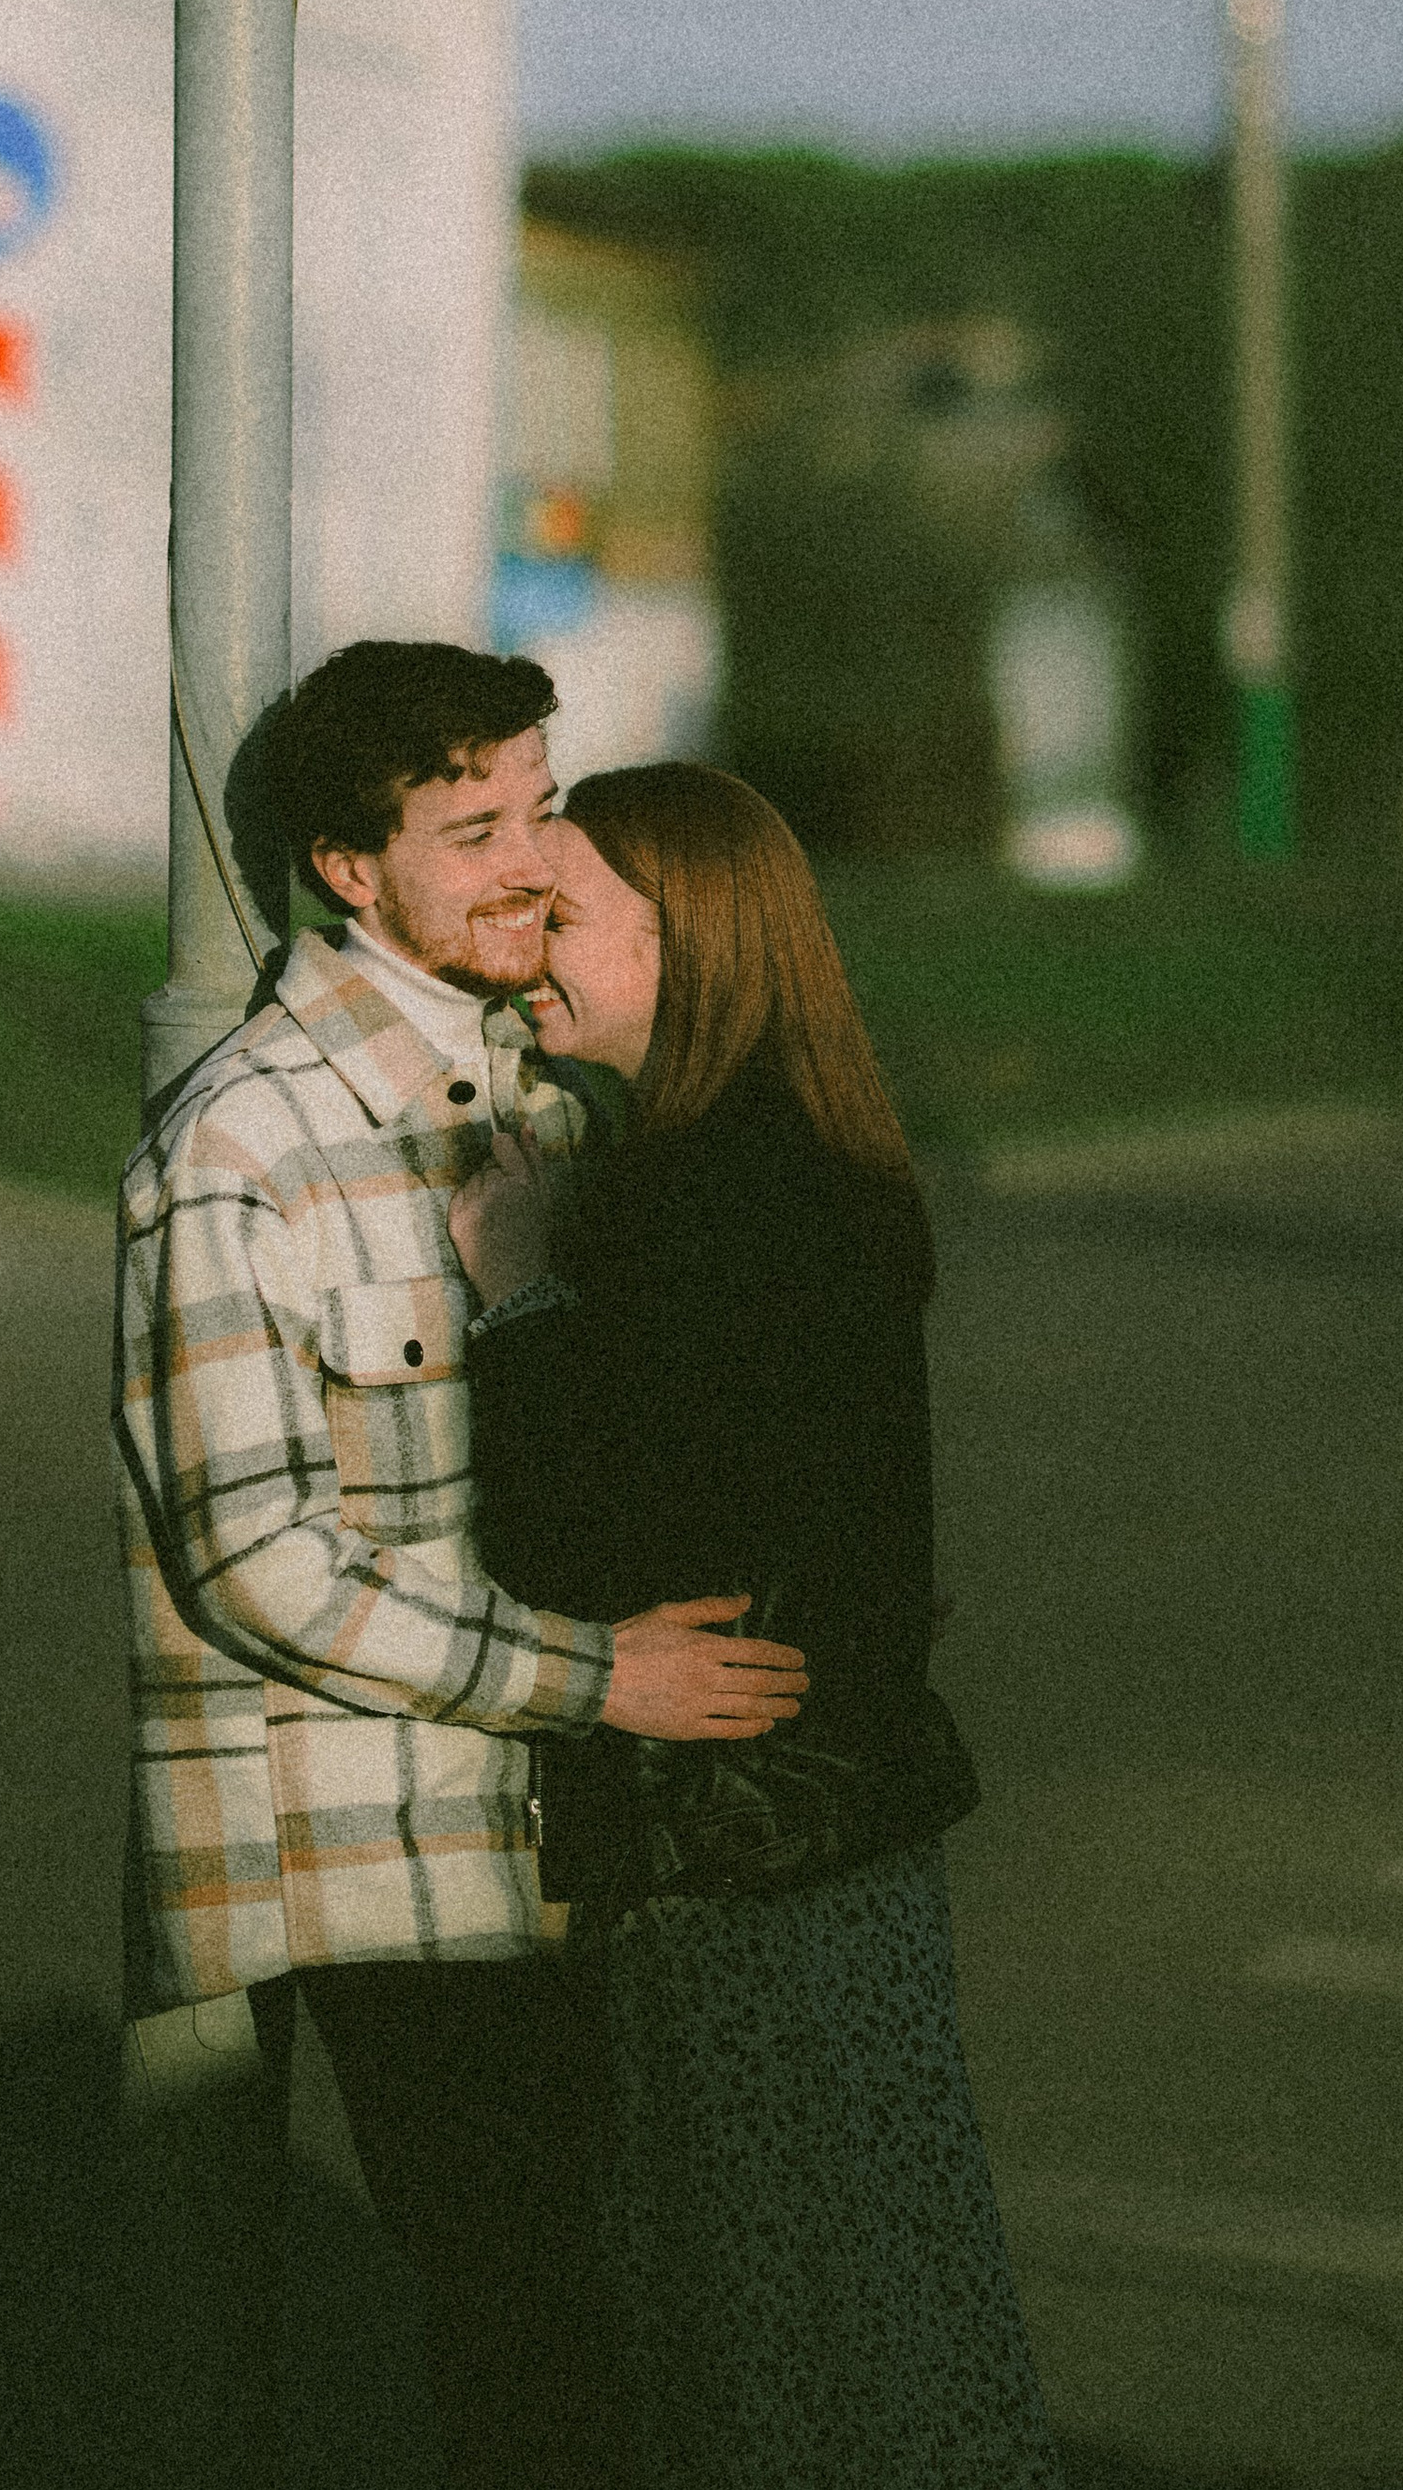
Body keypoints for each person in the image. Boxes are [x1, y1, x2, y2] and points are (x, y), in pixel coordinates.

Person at [112, 644, 814, 2490]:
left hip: (579, 1829)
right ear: (351, 870)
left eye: (541, 806)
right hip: (389, 1857)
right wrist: (604, 1677)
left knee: (626, 2318)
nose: (532, 861)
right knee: (534, 2331)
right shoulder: (245, 1145)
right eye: (475, 827)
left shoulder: (542, 1082)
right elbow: (257, 1559)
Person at [458, 760, 1067, 2490]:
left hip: (739, 1852)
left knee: (773, 2339)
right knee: (879, 2312)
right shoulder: (794, 1159)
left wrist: (517, 1292)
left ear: (691, 938)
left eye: (566, 913)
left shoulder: (703, 1199)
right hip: (828, 1829)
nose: (529, 952)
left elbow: (595, 1541)